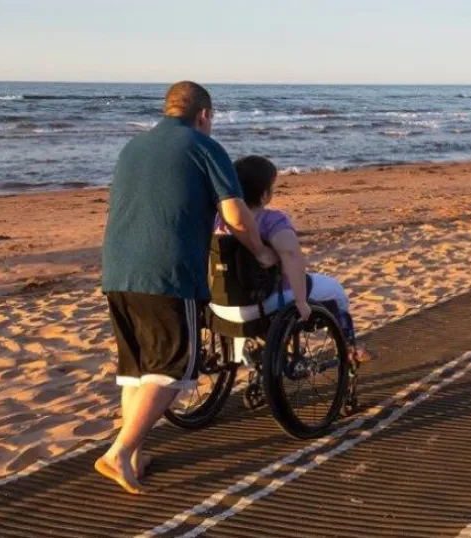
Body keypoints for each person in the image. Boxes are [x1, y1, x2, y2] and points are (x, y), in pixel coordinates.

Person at [97, 81, 277, 494]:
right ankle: (119, 452)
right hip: (168, 273)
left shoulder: (132, 148)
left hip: (118, 270)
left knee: (136, 370)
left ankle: (135, 456)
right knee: (173, 369)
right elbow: (236, 215)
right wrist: (260, 251)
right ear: (204, 115)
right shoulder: (204, 147)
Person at [210, 155, 371, 363]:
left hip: (222, 306)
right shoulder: (272, 220)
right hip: (264, 303)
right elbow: (291, 256)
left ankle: (248, 346)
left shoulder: (219, 219)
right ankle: (348, 348)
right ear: (265, 195)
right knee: (337, 293)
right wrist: (301, 302)